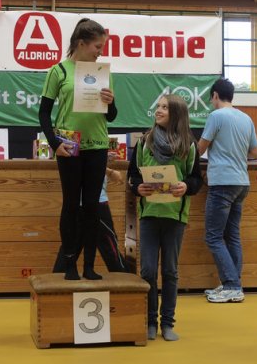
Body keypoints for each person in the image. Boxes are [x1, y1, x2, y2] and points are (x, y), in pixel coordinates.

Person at [38, 18, 117, 280]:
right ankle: (70, 264)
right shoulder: (58, 71)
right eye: (97, 46)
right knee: (71, 204)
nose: (100, 52)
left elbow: (111, 116)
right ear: (81, 43)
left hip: (97, 146)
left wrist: (111, 102)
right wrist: (54, 143)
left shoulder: (103, 72)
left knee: (92, 206)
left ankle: (89, 267)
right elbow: (44, 112)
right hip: (69, 146)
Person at [128, 95, 203, 341]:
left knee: (170, 271)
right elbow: (133, 176)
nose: (158, 110)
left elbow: (196, 179)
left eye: (164, 108)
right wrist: (137, 187)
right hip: (149, 215)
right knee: (148, 270)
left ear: (177, 114)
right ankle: (150, 321)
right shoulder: (144, 142)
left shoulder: (188, 145)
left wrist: (186, 186)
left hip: (175, 217)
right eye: (158, 106)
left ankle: (167, 323)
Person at [198, 78, 257, 303]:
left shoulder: (216, 116)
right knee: (232, 235)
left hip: (222, 182)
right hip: (242, 183)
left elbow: (200, 149)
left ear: (215, 95)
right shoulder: (246, 118)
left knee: (213, 237)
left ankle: (232, 285)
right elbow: (255, 152)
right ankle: (233, 284)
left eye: (211, 98)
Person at [52, 164, 129, 275]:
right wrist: (109, 171)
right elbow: (86, 162)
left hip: (80, 202)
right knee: (110, 249)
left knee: (70, 247)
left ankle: (56, 279)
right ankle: (124, 278)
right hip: (95, 202)